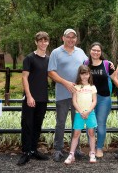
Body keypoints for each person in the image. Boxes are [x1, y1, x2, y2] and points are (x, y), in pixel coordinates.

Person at [48, 28, 88, 162]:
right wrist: (66, 83)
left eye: (73, 37)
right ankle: (58, 150)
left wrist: (107, 63)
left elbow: (89, 67)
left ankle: (75, 150)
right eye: (68, 37)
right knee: (61, 123)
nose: (71, 39)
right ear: (63, 38)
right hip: (62, 94)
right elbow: (51, 72)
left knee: (76, 123)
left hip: (79, 95)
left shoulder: (81, 52)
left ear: (76, 39)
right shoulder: (56, 52)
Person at [17, 31, 50, 166]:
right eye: (40, 41)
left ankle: (33, 150)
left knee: (37, 125)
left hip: (43, 98)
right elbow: (24, 77)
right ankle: (25, 152)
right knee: (27, 125)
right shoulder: (29, 58)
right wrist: (29, 96)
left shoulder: (49, 59)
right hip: (31, 97)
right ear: (36, 42)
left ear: (48, 42)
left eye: (45, 40)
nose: (43, 43)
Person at [84, 42, 115, 158]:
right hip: (89, 98)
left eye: (98, 50)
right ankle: (92, 148)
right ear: (90, 50)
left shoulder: (107, 64)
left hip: (103, 98)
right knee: (90, 124)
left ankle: (99, 148)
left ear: (101, 52)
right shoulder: (86, 64)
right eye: (94, 50)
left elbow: (116, 77)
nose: (96, 52)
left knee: (101, 124)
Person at [64, 65, 97, 164]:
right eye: (82, 74)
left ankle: (92, 153)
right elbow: (74, 102)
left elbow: (94, 101)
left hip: (90, 114)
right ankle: (71, 154)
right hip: (79, 114)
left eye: (86, 74)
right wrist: (81, 112)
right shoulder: (76, 87)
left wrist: (88, 111)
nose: (84, 76)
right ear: (79, 75)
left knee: (91, 133)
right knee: (76, 134)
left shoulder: (92, 87)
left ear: (89, 74)